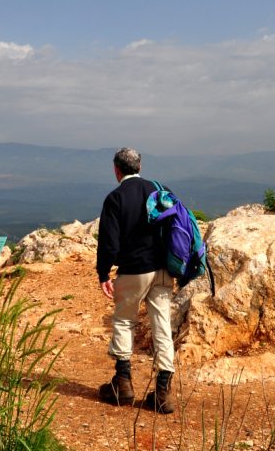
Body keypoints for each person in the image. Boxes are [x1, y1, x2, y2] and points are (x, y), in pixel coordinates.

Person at [96, 147, 175, 413]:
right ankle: (162, 392)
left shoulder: (116, 197)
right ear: (139, 167)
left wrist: (103, 273)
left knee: (123, 321)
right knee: (162, 325)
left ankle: (123, 383)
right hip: (163, 270)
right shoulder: (159, 189)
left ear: (116, 170)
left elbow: (109, 242)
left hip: (133, 271)